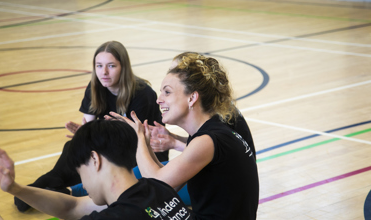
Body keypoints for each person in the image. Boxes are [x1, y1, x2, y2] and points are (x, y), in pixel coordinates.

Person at [14, 41, 168, 212]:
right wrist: (83, 134)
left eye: (111, 66)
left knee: (101, 160)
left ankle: (67, 191)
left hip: (143, 152)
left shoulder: (142, 93)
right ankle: (48, 181)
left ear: (123, 67)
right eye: (99, 66)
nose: (104, 72)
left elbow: (134, 141)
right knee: (73, 146)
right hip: (108, 146)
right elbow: (88, 126)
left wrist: (92, 137)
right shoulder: (95, 87)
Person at [110, 53, 259, 219]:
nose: (159, 100)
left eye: (167, 92)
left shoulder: (208, 140)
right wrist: (145, 141)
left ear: (192, 98)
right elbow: (167, 184)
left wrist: (137, 138)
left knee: (136, 207)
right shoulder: (209, 133)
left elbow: (157, 184)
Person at [0, 120, 191, 220]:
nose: (84, 184)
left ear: (94, 159)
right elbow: (71, 208)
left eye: (80, 173)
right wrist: (15, 188)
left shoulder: (114, 217)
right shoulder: (158, 189)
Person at [148, 52, 256, 159]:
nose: (171, 74)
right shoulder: (209, 112)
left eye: (177, 70)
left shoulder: (217, 117)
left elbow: (206, 149)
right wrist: (172, 136)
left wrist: (174, 144)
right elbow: (197, 142)